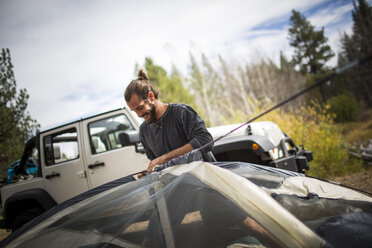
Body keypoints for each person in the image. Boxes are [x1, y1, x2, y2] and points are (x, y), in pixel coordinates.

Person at [124, 69, 214, 174]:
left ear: (151, 97)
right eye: (134, 111)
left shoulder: (182, 112)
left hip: (206, 180)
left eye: (140, 108)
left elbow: (205, 141)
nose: (139, 115)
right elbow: (157, 164)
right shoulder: (144, 131)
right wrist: (149, 173)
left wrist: (165, 158)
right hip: (177, 188)